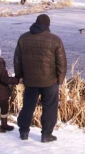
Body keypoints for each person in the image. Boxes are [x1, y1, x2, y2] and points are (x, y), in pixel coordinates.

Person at [14, 14, 67, 143]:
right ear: (48, 25)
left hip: (30, 81)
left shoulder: (23, 38)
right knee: (49, 107)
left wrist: (19, 76)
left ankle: (24, 132)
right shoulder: (55, 40)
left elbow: (17, 60)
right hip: (49, 81)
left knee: (28, 106)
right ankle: (46, 135)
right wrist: (60, 79)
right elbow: (61, 62)